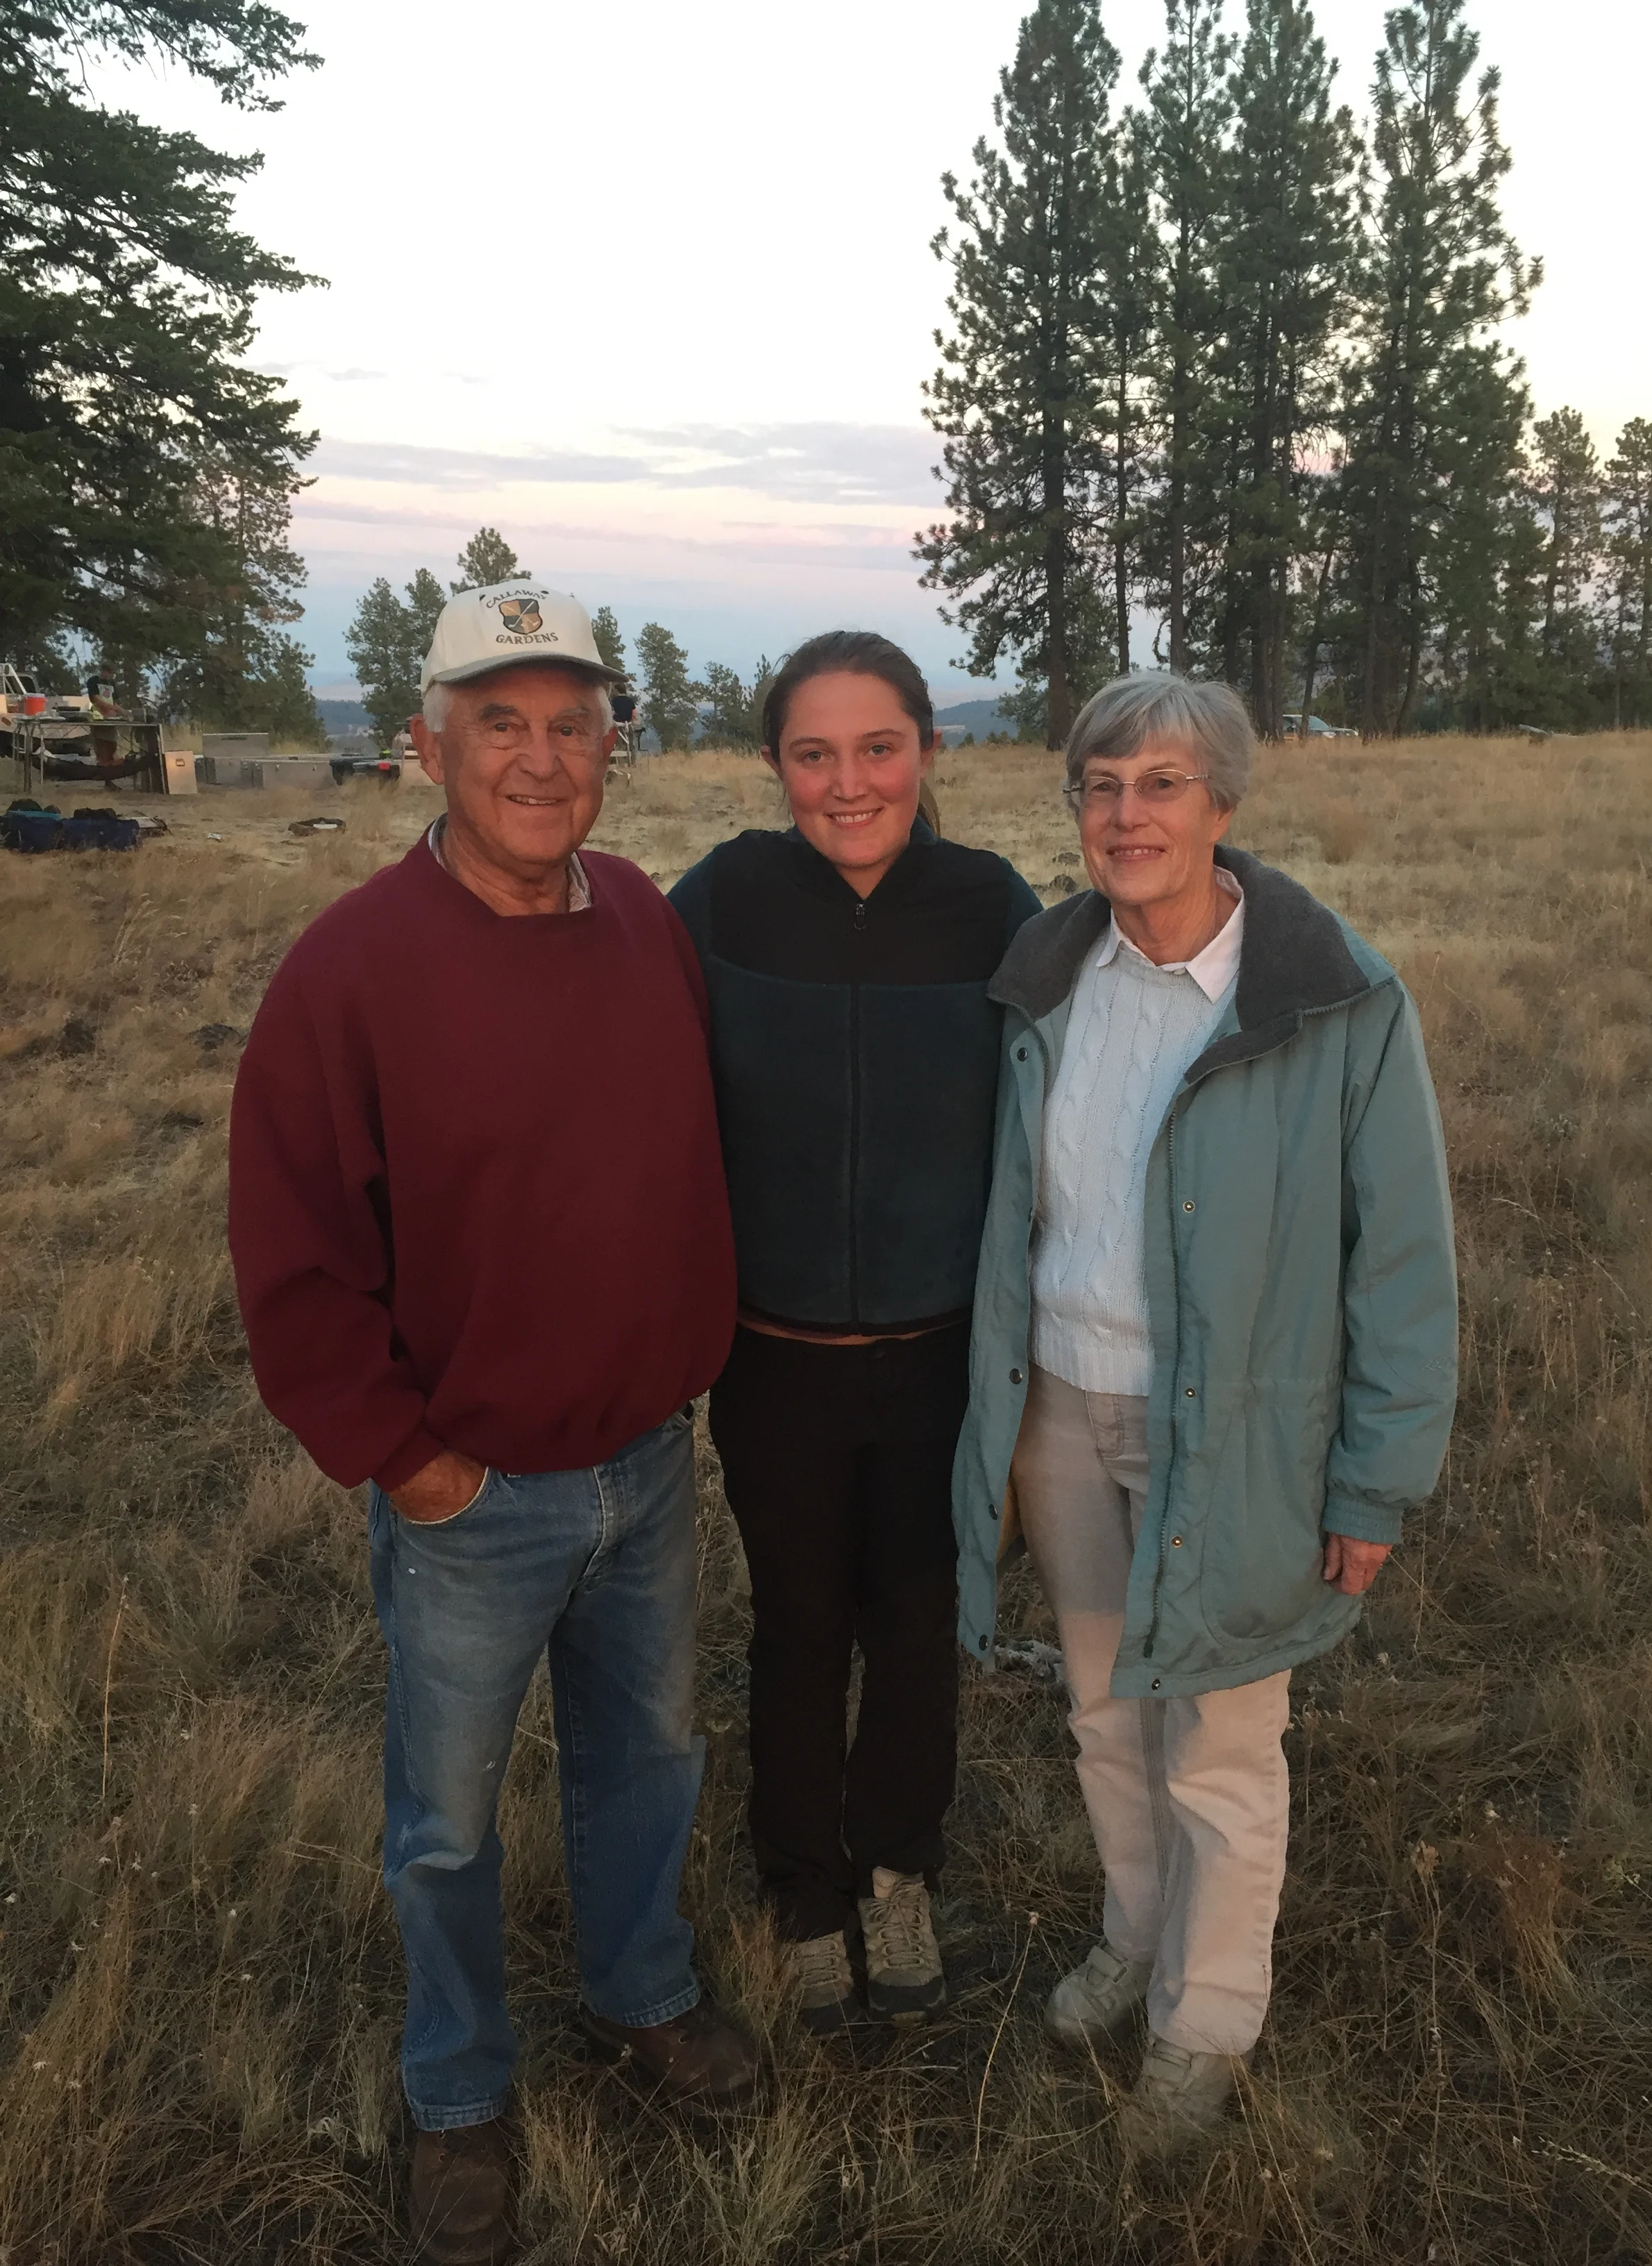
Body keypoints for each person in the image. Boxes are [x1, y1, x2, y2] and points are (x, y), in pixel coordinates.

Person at [228, 582, 757, 2266]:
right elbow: (295, 1251)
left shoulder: (648, 926)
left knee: (650, 1758)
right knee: (446, 1817)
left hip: (648, 1465)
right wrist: (411, 1459)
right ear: (429, 742)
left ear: (612, 743)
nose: (540, 758)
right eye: (499, 722)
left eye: (569, 722)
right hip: (472, 1494)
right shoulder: (350, 973)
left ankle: (639, 1991)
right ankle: (458, 2093)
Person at [953, 673, 1456, 2137]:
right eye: (1100, 787)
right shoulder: (1044, 977)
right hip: (1061, 1410)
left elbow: (1405, 1264)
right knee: (1107, 1713)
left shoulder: (1336, 998)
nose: (1128, 815)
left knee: (1223, 1747)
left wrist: (1373, 1484)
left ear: (1223, 805)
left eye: (1162, 783)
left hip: (1234, 1437)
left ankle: (1207, 2019)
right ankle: (1132, 1936)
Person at [669, 632, 1040, 2032]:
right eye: (813, 754)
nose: (847, 783)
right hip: (774, 1365)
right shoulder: (721, 903)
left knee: (919, 1623)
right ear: (776, 766)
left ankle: (897, 1872)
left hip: (945, 1362)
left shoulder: (995, 910)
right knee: (799, 1627)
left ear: (928, 751)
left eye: (877, 748)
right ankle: (802, 1891)